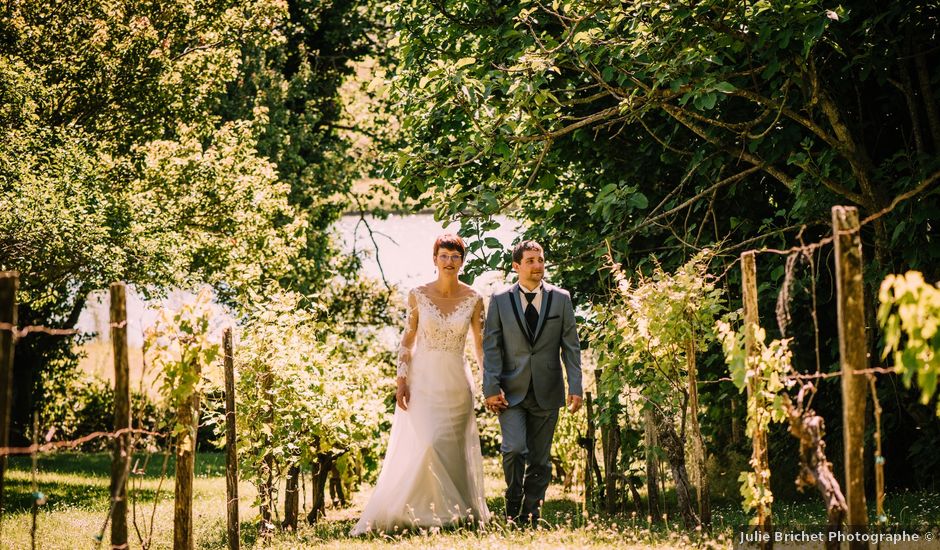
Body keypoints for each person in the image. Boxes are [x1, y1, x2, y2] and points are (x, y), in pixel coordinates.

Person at [351, 234, 490, 535]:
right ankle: (418, 513)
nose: (449, 262)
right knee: (428, 443)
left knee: (451, 448)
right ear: (434, 259)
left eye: (455, 256)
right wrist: (401, 381)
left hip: (456, 383)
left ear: (462, 261)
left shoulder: (474, 298)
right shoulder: (418, 295)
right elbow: (407, 341)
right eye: (444, 255)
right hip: (423, 382)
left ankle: (455, 511)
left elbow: (480, 347)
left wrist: (489, 382)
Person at [482, 240, 582, 527]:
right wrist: (490, 387)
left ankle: (531, 513)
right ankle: (512, 505)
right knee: (513, 449)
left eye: (540, 259)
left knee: (540, 459)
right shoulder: (499, 299)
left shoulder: (561, 298)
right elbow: (492, 347)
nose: (537, 265)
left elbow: (571, 347)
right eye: (530, 260)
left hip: (548, 389)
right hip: (510, 392)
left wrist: (575, 385)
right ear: (516, 266)